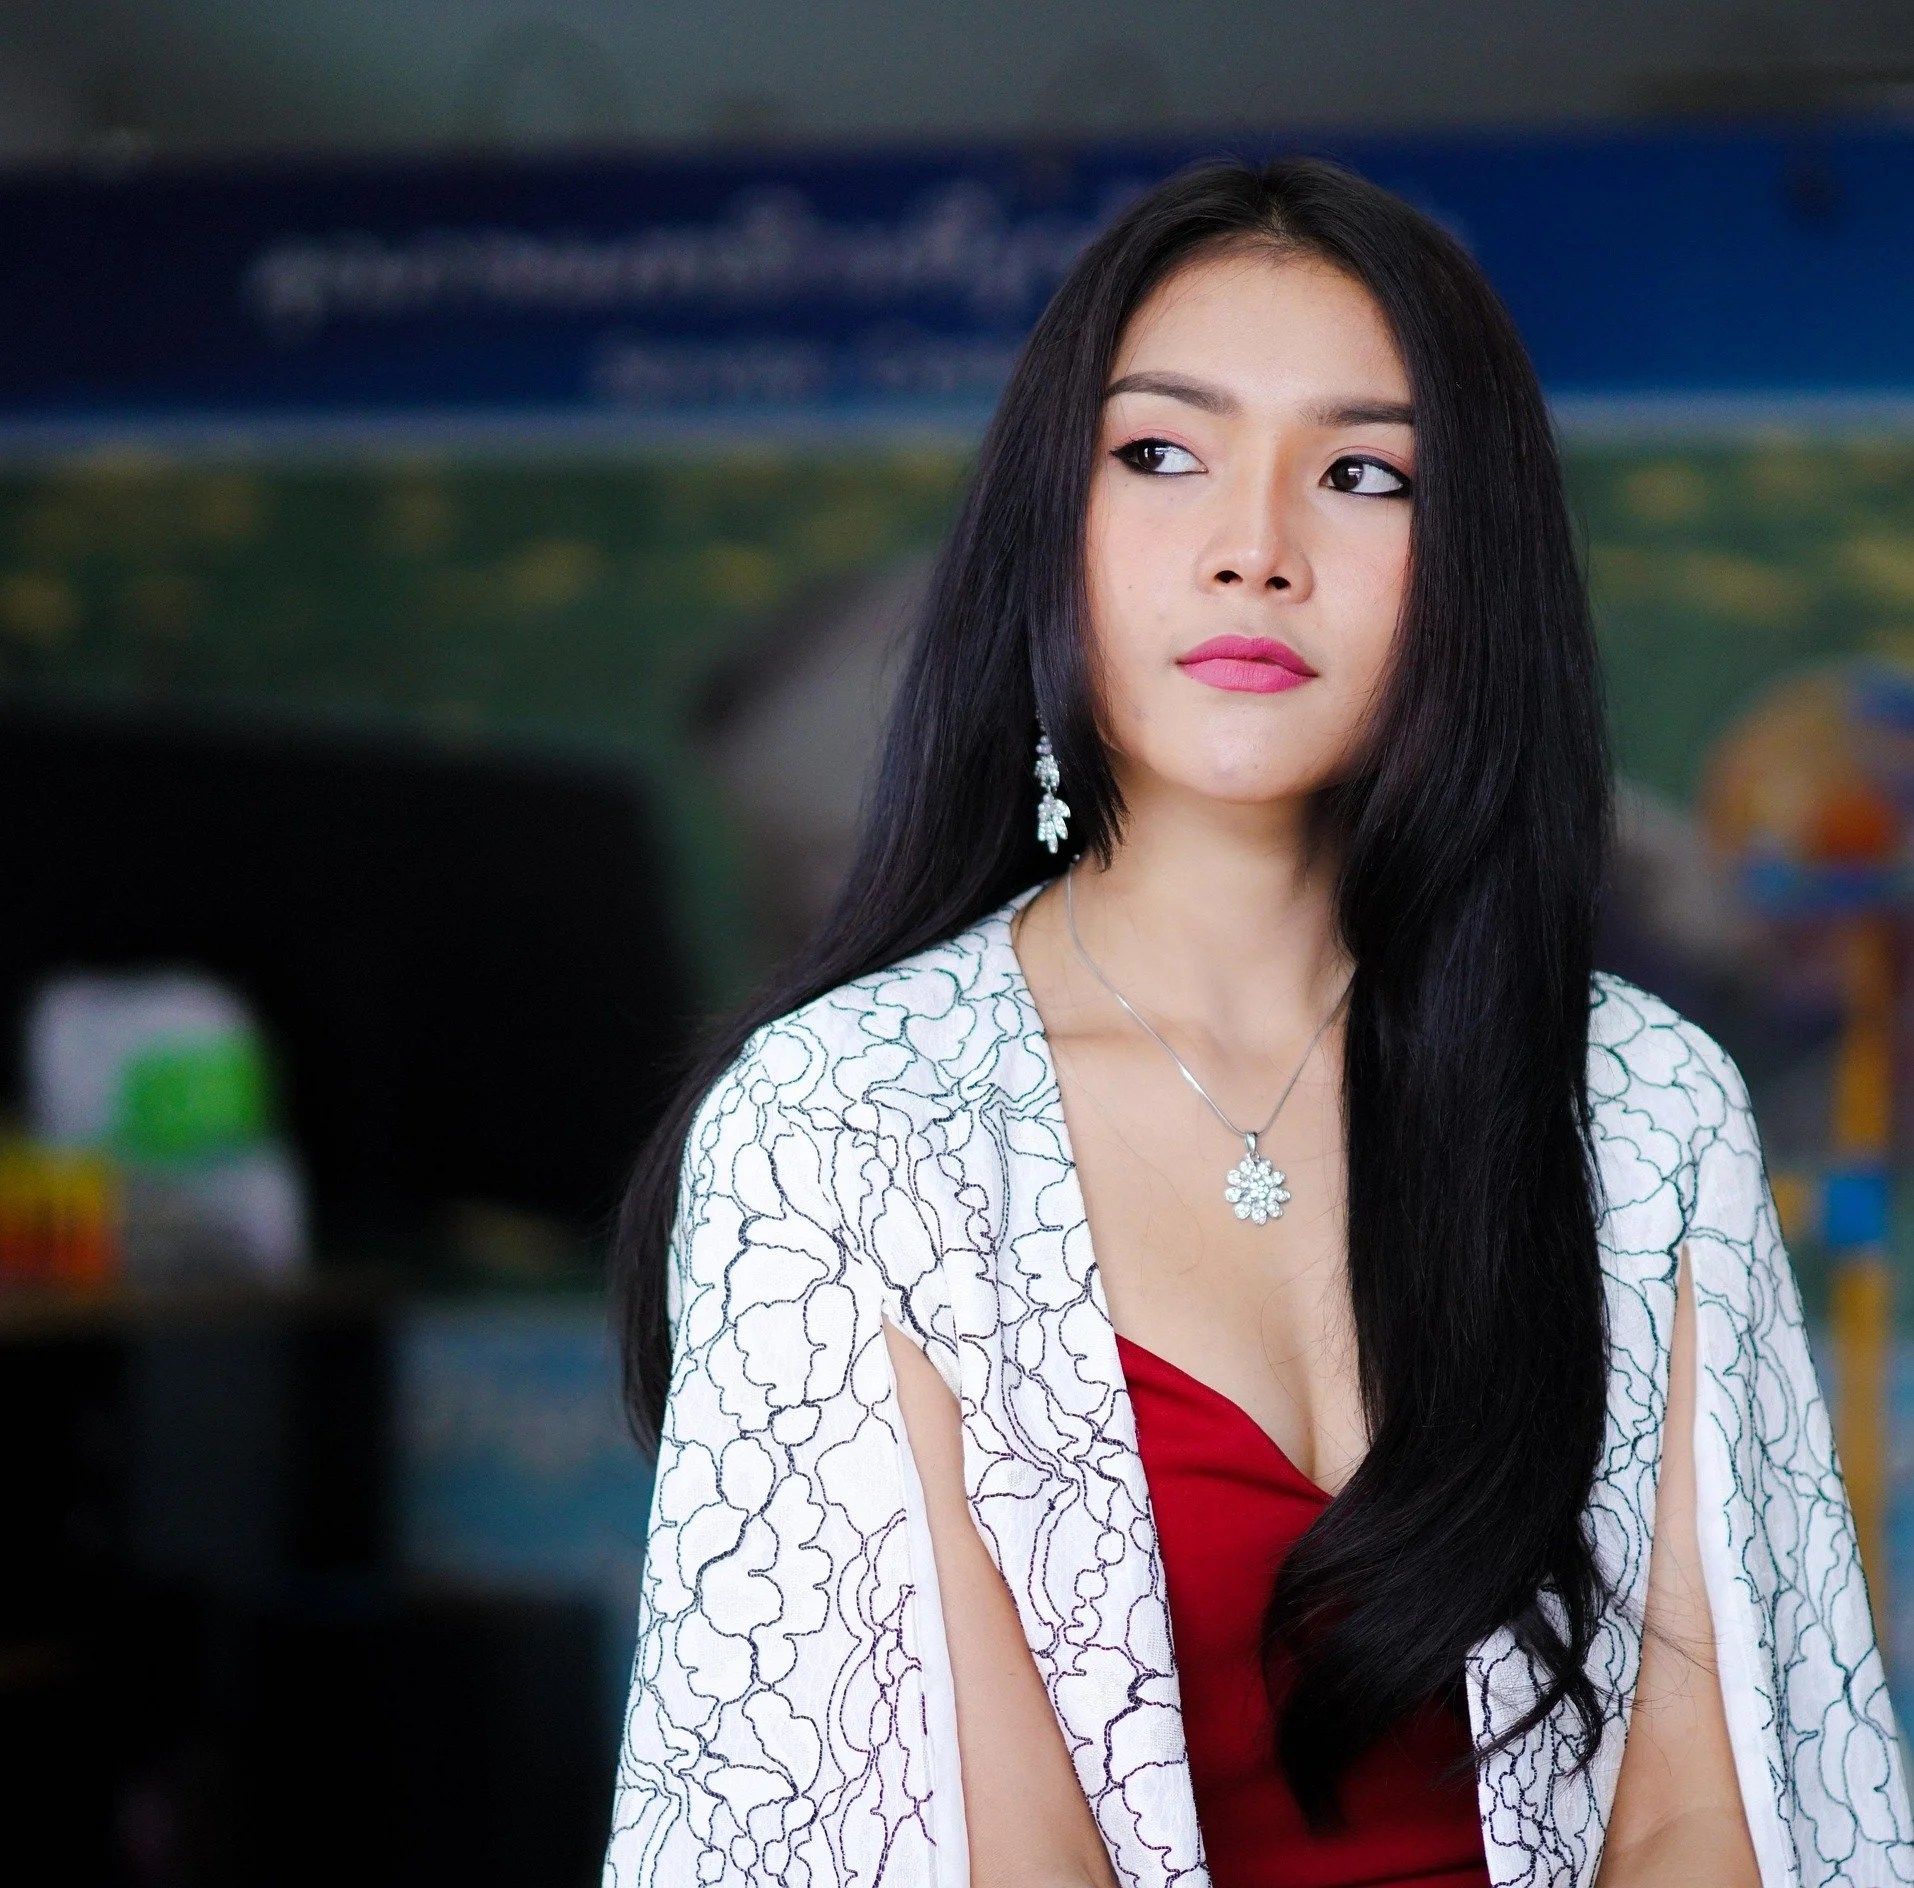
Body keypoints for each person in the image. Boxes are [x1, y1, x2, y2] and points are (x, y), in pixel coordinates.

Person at [603, 160, 1911, 1888]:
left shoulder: (1643, 1099)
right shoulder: (844, 1127)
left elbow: (1706, 1798)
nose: (1255, 548)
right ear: (1045, 537)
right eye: (1162, 453)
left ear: (1467, 572)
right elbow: (980, 1850)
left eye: (1363, 474)